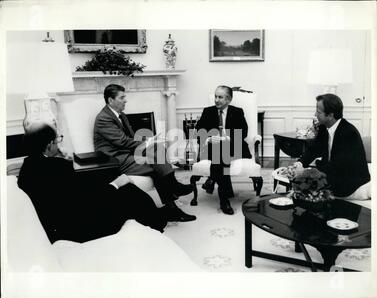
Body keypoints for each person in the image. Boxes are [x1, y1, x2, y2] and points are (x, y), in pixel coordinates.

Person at [18, 122, 170, 244]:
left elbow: (70, 191)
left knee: (119, 188)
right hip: (77, 228)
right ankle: (157, 223)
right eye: (57, 140)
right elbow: (86, 199)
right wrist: (115, 185)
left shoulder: (26, 170)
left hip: (59, 222)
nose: (58, 144)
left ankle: (156, 218)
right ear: (50, 144)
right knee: (126, 191)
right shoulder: (58, 167)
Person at [94, 84, 196, 222]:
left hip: (126, 153)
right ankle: (173, 201)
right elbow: (123, 142)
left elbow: (131, 138)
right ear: (111, 100)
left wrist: (150, 140)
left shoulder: (121, 115)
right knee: (157, 167)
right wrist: (148, 143)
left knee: (159, 149)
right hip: (114, 159)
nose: (125, 100)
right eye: (122, 97)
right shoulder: (103, 118)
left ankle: (173, 192)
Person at [289, 93, 370, 199]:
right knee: (297, 182)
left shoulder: (349, 133)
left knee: (304, 186)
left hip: (350, 181)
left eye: (318, 112)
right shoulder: (324, 126)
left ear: (330, 115)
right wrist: (300, 163)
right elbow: (314, 150)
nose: (315, 114)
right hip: (334, 173)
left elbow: (337, 166)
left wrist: (306, 172)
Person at [195, 86, 251, 214]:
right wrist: (209, 138)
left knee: (222, 150)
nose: (216, 100)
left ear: (229, 99)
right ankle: (224, 199)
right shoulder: (208, 111)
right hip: (214, 148)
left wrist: (226, 138)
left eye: (220, 97)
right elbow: (199, 131)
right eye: (215, 96)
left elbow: (244, 132)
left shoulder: (237, 112)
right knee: (220, 153)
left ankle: (212, 179)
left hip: (234, 147)